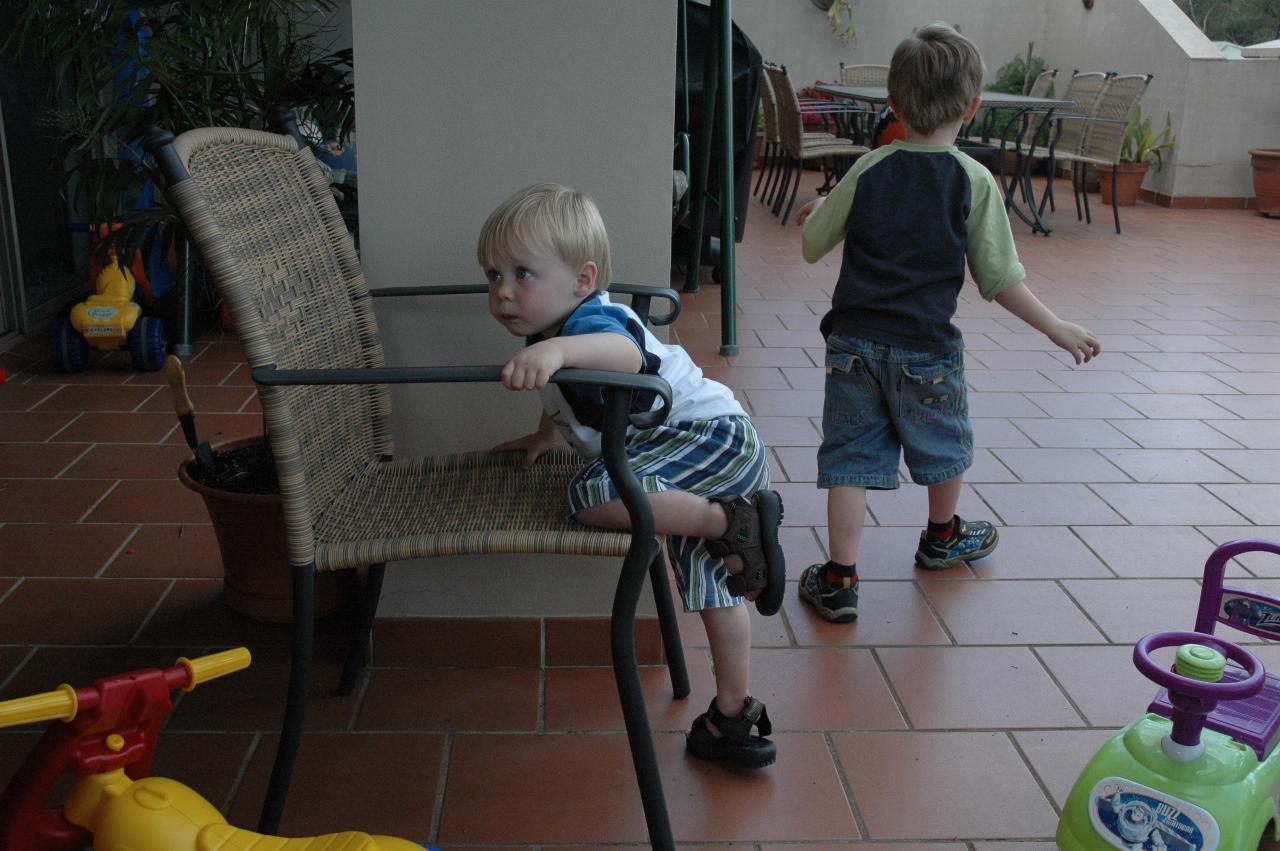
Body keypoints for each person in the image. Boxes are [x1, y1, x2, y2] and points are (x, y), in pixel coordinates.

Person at [794, 23, 1101, 624]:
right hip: (927, 349)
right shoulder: (974, 180)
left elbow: (811, 245)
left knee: (850, 458)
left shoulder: (870, 167)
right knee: (944, 445)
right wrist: (1055, 326)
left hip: (852, 344)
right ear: (972, 106)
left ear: (893, 104)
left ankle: (839, 580)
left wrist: (820, 209)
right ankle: (941, 538)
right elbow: (999, 277)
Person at [480, 182, 786, 768]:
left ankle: (729, 519)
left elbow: (624, 358)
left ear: (583, 278)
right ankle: (733, 715)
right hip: (688, 460)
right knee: (711, 583)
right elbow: (567, 402)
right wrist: (546, 434)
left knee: (591, 491)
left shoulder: (597, 323)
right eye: (493, 275)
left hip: (710, 439)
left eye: (523, 273)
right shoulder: (553, 339)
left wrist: (560, 354)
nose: (503, 292)